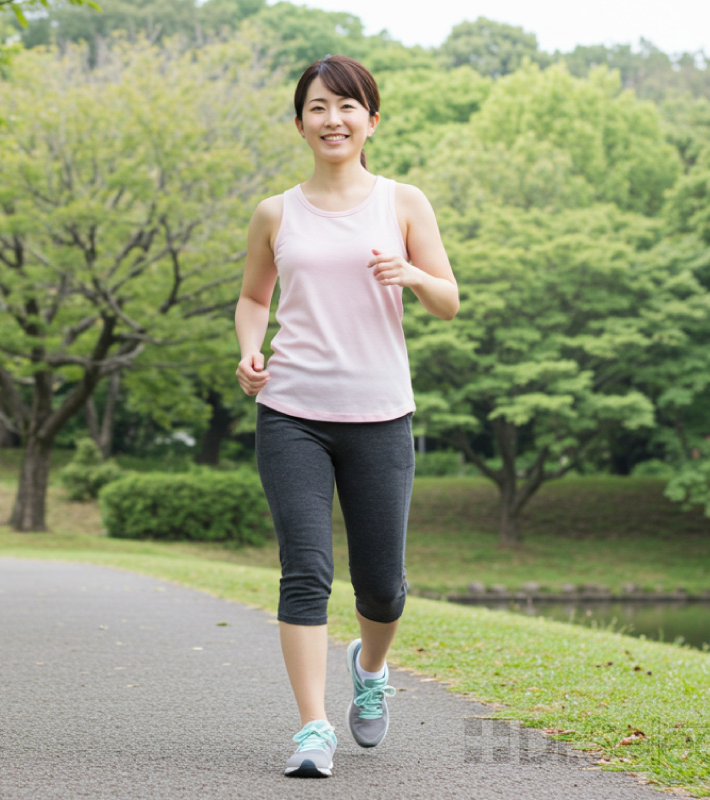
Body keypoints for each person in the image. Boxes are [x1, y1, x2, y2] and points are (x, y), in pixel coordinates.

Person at [234, 54, 459, 778]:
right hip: (292, 410)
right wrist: (248, 351)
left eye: (347, 106)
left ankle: (370, 668)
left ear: (371, 120)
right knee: (304, 572)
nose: (333, 120)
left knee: (383, 586)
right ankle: (312, 728)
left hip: (381, 414)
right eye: (318, 108)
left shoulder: (402, 202)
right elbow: (253, 298)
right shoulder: (276, 212)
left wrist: (415, 274)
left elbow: (449, 299)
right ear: (299, 122)